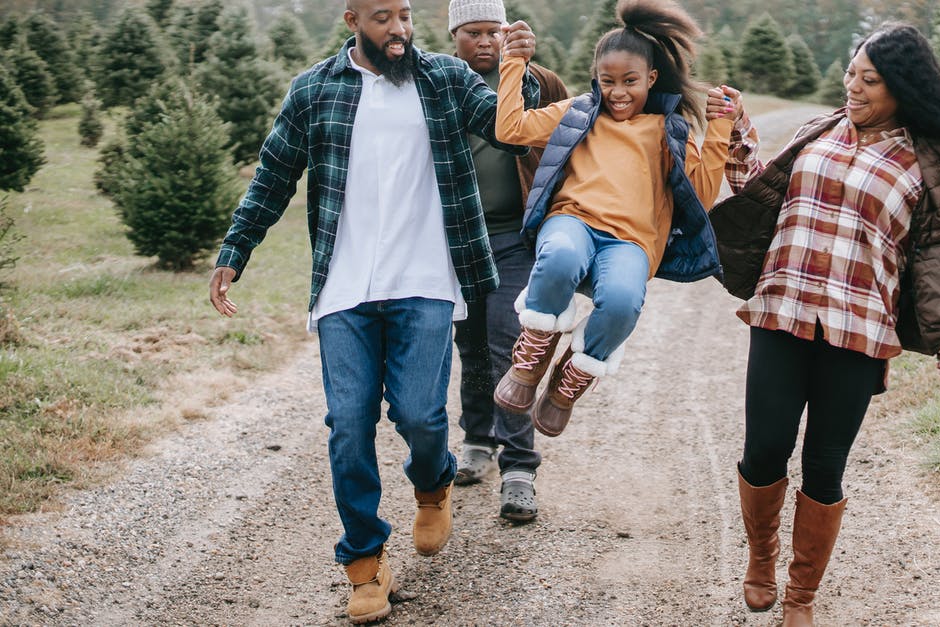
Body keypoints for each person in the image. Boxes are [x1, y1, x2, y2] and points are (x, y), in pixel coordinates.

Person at [206, 0, 539, 623]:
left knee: (418, 414)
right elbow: (273, 174)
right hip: (345, 289)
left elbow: (507, 128)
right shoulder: (314, 89)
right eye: (383, 17)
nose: (400, 29)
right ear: (352, 19)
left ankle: (433, 479)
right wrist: (235, 249)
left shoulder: (442, 77)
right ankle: (364, 564)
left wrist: (518, 66)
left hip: (425, 281)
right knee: (349, 427)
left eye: (406, 15)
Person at [708, 23, 940, 626]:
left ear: (903, 89)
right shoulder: (821, 131)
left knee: (824, 465)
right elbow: (765, 193)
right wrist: (736, 134)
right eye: (851, 73)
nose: (854, 87)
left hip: (858, 332)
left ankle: (801, 597)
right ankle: (762, 555)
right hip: (782, 312)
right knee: (763, 451)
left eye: (870, 80)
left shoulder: (927, 163)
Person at [491, 0, 740, 438]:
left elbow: (700, 195)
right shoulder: (578, 112)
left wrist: (719, 127)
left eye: (630, 82)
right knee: (561, 257)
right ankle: (532, 355)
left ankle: (569, 381)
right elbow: (510, 129)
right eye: (608, 82)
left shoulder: (668, 129)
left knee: (624, 301)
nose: (619, 93)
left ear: (652, 78)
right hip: (573, 220)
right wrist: (514, 62)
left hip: (631, 243)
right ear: (595, 79)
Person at [444, 0, 569, 523]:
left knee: (510, 348)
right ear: (454, 35)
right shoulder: (442, 83)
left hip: (516, 240)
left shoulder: (534, 81)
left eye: (493, 32)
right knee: (469, 344)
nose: (485, 42)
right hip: (457, 241)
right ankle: (477, 438)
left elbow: (558, 136)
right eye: (472, 32)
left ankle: (519, 467)